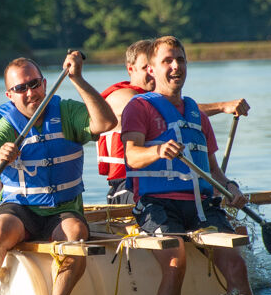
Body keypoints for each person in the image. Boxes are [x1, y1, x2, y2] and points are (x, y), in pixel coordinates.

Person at [0, 51, 117, 295]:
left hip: (62, 208)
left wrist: (77, 78)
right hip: (20, 208)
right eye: (20, 88)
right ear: (10, 95)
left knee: (76, 234)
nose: (30, 92)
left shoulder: (67, 111)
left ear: (45, 84)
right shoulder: (5, 126)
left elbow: (107, 122)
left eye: (34, 84)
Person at [121, 36, 252, 295]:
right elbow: (131, 156)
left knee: (236, 263)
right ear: (152, 70)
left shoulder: (197, 114)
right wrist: (157, 151)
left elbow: (214, 172)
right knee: (174, 260)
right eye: (167, 61)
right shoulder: (139, 107)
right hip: (157, 205)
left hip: (200, 206)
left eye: (180, 60)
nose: (175, 66)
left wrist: (232, 189)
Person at [98, 39, 251, 204]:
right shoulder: (127, 98)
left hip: (167, 186)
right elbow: (168, 110)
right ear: (131, 69)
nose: (152, 75)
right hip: (126, 185)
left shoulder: (173, 103)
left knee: (209, 193)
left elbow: (178, 110)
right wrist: (221, 106)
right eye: (146, 68)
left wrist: (227, 186)